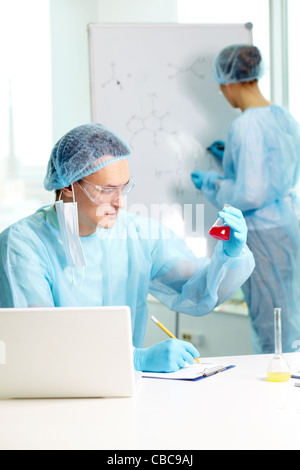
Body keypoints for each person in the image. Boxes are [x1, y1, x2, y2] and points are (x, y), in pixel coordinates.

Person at [0, 123, 254, 372]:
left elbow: (196, 290)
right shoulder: (23, 245)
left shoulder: (139, 235)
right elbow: (37, 341)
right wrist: (132, 360)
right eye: (107, 190)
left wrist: (230, 256)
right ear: (68, 185)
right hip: (50, 396)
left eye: (124, 188)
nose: (120, 203)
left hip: (125, 390)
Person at [191, 44, 300, 354]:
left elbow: (249, 194)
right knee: (289, 314)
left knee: (271, 324)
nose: (223, 96)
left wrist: (213, 183)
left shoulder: (244, 126)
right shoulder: (283, 117)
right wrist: (230, 158)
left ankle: (280, 389)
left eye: (221, 88)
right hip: (286, 227)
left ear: (230, 82)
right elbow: (277, 173)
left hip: (263, 235)